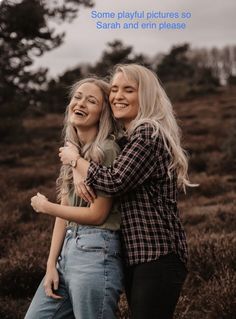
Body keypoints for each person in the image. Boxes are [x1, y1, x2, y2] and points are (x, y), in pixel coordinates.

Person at [59, 64, 194, 319]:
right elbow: (88, 135)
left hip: (158, 254)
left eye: (128, 90)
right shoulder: (127, 137)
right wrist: (74, 155)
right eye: (114, 90)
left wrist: (76, 161)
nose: (117, 96)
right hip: (138, 255)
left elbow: (114, 181)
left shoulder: (148, 133)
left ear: (145, 96)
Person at [25, 78, 124, 319]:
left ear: (103, 113)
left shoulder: (107, 150)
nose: (80, 103)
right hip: (67, 253)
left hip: (96, 252)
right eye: (78, 97)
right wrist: (51, 265)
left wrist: (47, 207)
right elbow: (65, 211)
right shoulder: (72, 152)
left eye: (92, 101)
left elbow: (97, 214)